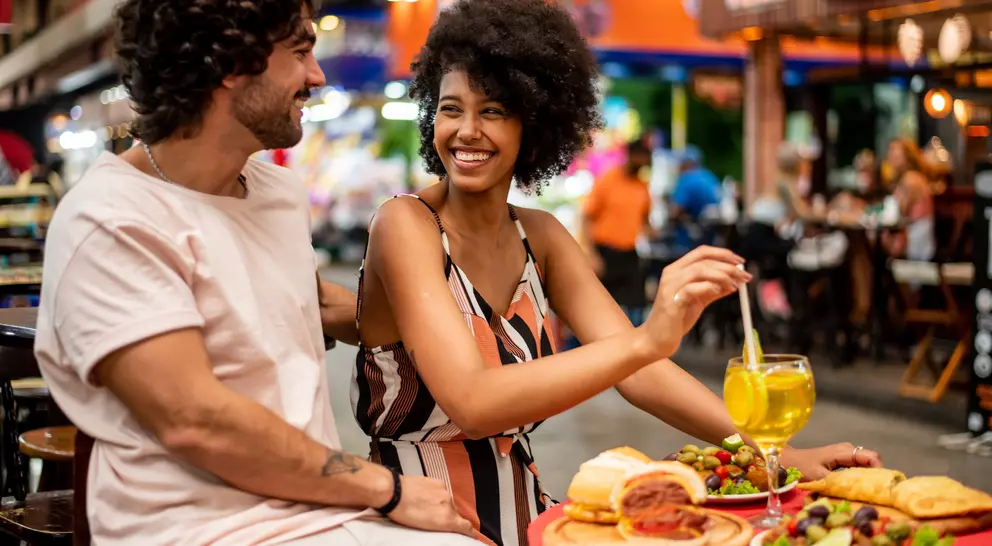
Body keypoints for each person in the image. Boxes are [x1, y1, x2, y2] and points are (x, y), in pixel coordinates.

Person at [353, 2, 882, 545]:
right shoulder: (404, 224)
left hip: (531, 521)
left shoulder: (541, 236)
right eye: (450, 109)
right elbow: (472, 401)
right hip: (416, 526)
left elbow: (640, 370)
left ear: (533, 124)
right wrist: (649, 339)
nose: (466, 131)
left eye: (492, 111)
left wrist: (781, 455)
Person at [34, 1, 477, 545]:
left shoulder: (276, 192)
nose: (316, 76)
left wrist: (464, 324)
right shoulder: (111, 219)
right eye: (300, 51)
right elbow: (195, 421)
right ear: (228, 62)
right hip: (197, 528)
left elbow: (305, 304)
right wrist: (386, 489)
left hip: (315, 510)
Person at [582, 139, 653, 326]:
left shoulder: (641, 186)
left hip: (629, 253)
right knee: (598, 311)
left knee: (636, 307)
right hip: (605, 253)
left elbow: (645, 219)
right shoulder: (608, 180)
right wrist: (591, 253)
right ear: (630, 156)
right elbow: (586, 216)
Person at [881, 137, 935, 262]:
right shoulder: (910, 177)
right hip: (913, 245)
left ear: (908, 156)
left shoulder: (911, 179)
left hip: (916, 250)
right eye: (890, 150)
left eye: (896, 151)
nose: (891, 155)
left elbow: (896, 215)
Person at [668, 145, 721, 255]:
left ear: (686, 164)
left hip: (691, 239)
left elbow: (676, 210)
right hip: (713, 236)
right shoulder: (709, 176)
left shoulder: (686, 179)